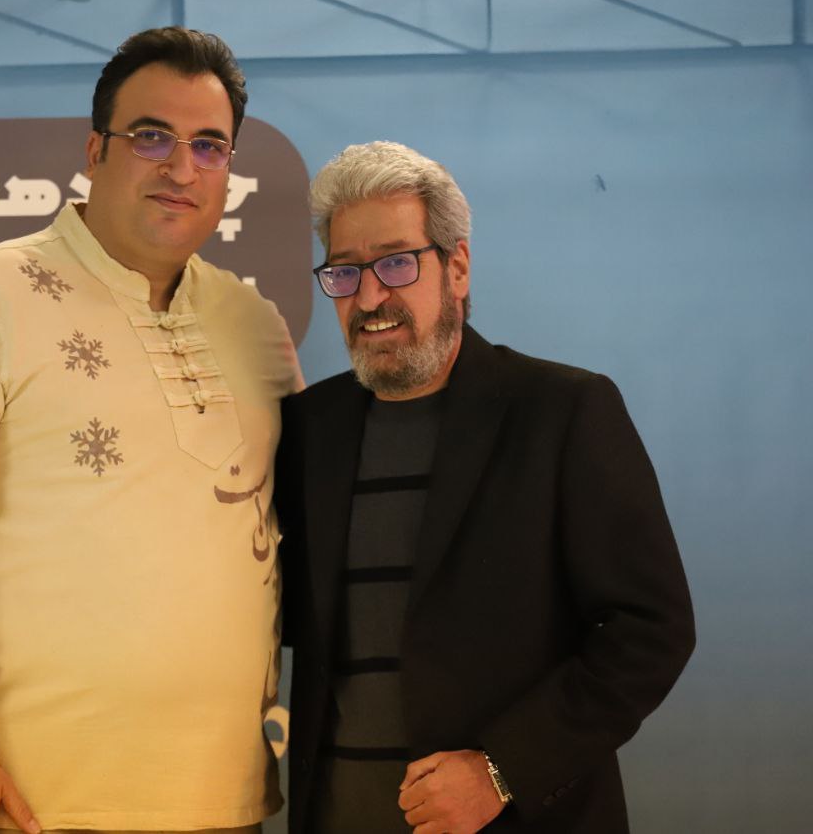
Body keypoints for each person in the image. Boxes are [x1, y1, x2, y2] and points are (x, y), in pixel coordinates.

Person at [0, 27, 302, 834]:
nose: (182, 169)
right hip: (35, 802)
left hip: (229, 799)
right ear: (95, 150)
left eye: (209, 146)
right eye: (152, 137)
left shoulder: (253, 324)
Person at [275, 141, 694, 833]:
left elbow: (652, 630)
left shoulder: (563, 411)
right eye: (345, 272)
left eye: (396, 262)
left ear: (458, 266)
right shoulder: (309, 427)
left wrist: (503, 770)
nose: (370, 297)